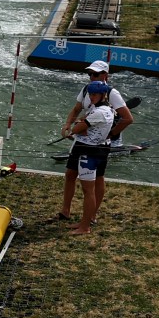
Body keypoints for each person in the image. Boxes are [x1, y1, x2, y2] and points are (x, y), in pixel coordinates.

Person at [57, 61, 131, 219]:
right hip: (82, 141)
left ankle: (91, 216)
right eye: (90, 73)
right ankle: (65, 211)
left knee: (97, 179)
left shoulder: (112, 93)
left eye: (96, 74)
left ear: (105, 75)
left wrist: (110, 134)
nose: (92, 76)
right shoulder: (87, 90)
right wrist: (68, 124)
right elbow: (77, 109)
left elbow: (127, 118)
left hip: (97, 145)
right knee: (70, 174)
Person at [60, 85, 115, 234]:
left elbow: (77, 128)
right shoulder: (105, 109)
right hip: (91, 148)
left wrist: (77, 127)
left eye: (95, 94)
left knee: (88, 190)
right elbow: (82, 122)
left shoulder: (99, 112)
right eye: (90, 94)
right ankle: (83, 222)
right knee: (76, 179)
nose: (92, 97)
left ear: (103, 94)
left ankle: (85, 226)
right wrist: (81, 125)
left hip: (89, 151)